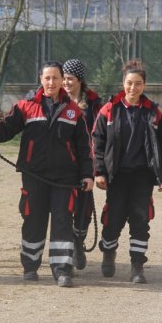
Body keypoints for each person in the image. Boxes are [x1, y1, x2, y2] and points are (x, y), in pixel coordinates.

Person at [0, 61, 94, 288]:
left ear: (61, 80)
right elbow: (5, 128)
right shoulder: (25, 107)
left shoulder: (74, 112)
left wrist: (88, 175)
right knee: (33, 219)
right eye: (47, 78)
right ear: (41, 80)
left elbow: (84, 148)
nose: (52, 83)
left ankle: (62, 269)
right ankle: (30, 265)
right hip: (34, 176)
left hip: (65, 180)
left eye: (56, 78)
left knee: (62, 222)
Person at [91, 58, 162, 283]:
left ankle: (137, 266)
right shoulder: (109, 110)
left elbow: (161, 146)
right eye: (129, 83)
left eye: (137, 84)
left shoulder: (154, 113)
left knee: (140, 220)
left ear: (144, 85)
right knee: (113, 219)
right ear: (123, 83)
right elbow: (97, 143)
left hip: (142, 177)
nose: (133, 88)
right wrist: (99, 171)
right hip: (116, 176)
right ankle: (108, 251)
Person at [62, 58, 102, 271]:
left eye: (70, 79)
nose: (66, 83)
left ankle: (79, 242)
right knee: (63, 207)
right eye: (64, 79)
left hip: (86, 163)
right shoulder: (56, 100)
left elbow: (101, 131)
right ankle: (68, 248)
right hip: (62, 163)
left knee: (84, 209)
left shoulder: (95, 103)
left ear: (79, 80)